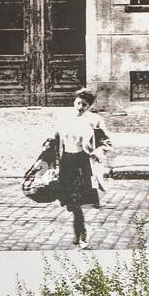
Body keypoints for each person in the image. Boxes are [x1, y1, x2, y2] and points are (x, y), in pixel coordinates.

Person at [38, 88, 111, 248]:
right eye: (78, 103)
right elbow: (55, 139)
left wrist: (97, 152)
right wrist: (48, 152)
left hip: (83, 162)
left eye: (84, 105)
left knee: (76, 201)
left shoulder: (94, 120)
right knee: (70, 203)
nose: (80, 107)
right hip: (66, 161)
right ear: (74, 102)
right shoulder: (64, 119)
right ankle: (80, 229)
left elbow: (107, 142)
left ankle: (82, 232)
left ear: (89, 106)